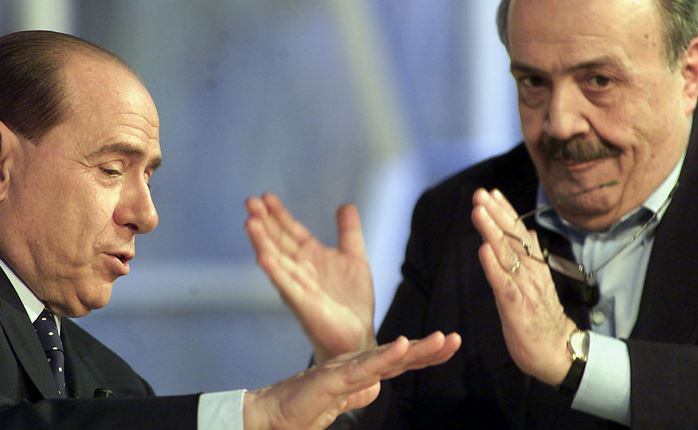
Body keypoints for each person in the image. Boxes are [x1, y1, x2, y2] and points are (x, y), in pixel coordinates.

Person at [245, 0, 698, 428]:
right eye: (533, 82)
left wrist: (574, 357)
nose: (560, 123)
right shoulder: (456, 216)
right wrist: (352, 360)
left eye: (598, 81)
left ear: (689, 76)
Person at [0, 30, 462, 429]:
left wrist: (340, 361)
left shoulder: (111, 379)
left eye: (149, 177)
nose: (147, 215)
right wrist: (255, 416)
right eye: (112, 169)